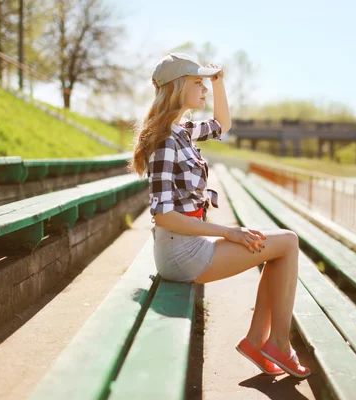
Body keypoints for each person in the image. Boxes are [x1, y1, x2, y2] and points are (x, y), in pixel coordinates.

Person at [128, 53, 311, 379]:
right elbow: (163, 215)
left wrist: (219, 81)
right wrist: (227, 232)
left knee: (280, 245)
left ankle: (261, 341)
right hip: (180, 253)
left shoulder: (181, 130)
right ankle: (276, 344)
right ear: (178, 86)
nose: (204, 90)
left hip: (187, 244)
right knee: (287, 243)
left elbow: (222, 124)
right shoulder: (166, 140)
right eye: (198, 83)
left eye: (205, 84)